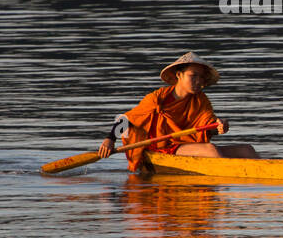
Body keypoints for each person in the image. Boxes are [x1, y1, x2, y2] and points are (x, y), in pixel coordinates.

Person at [98, 52, 259, 169]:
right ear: (179, 75)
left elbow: (208, 123)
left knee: (247, 149)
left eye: (201, 77)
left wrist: (219, 127)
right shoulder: (158, 98)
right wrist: (109, 139)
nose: (198, 82)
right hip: (162, 147)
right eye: (193, 76)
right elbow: (127, 119)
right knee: (211, 150)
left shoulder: (201, 100)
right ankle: (229, 182)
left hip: (186, 145)